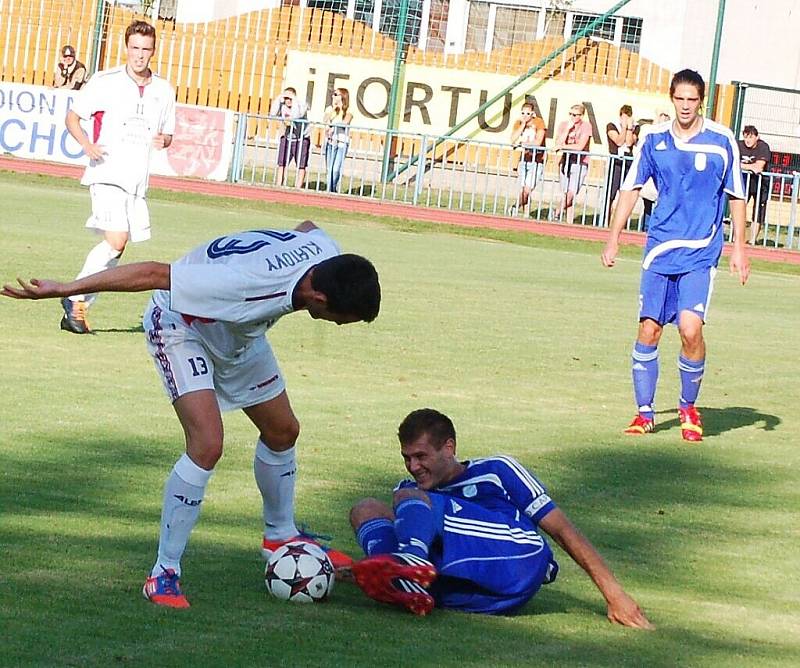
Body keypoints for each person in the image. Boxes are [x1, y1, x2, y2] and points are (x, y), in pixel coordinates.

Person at [2, 221, 382, 609]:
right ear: (318, 297)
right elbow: (154, 273)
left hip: (240, 335)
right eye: (340, 319)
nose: (338, 325)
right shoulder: (243, 285)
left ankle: (280, 536)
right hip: (181, 327)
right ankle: (163, 572)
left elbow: (306, 228)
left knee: (283, 431)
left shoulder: (327, 252)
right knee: (207, 445)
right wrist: (66, 289)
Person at [348, 409, 653, 628]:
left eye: (421, 456)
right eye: (407, 457)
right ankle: (400, 583)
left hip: (519, 560)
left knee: (410, 498)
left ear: (449, 448)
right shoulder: (412, 491)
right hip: (471, 593)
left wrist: (615, 595)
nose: (413, 466)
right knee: (366, 508)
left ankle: (406, 565)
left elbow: (562, 529)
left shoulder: (496, 469)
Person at [601, 69, 750, 442]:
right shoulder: (653, 140)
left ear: (701, 101)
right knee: (649, 330)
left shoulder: (721, 141)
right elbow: (631, 188)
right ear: (673, 99)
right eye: (680, 99)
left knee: (690, 329)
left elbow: (737, 196)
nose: (685, 106)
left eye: (692, 100)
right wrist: (613, 237)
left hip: (701, 251)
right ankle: (645, 413)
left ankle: (687, 406)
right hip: (660, 250)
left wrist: (740, 248)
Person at [60, 20, 176, 334]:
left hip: (137, 181)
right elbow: (73, 117)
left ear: (153, 51)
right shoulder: (105, 81)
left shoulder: (163, 90)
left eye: (146, 49)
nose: (139, 55)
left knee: (118, 247)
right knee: (116, 239)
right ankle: (75, 297)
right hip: (107, 172)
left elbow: (168, 134)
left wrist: (164, 141)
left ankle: (77, 302)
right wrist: (87, 145)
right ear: (126, 48)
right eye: (135, 48)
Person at [551, 104, 592, 223]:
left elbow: (580, 146)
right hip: (565, 161)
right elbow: (558, 142)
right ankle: (569, 222)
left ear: (581, 115)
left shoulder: (586, 126)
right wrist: (567, 130)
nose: (572, 117)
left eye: (575, 115)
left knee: (571, 193)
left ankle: (556, 212)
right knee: (565, 193)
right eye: (570, 114)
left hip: (580, 162)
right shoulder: (564, 125)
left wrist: (563, 146)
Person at [508, 101, 546, 216]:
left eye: (528, 113)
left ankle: (516, 206)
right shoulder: (519, 123)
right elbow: (513, 139)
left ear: (533, 114)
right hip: (524, 159)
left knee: (528, 189)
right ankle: (526, 214)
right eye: (523, 113)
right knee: (523, 188)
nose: (525, 115)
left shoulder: (539, 122)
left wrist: (523, 143)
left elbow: (538, 142)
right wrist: (523, 125)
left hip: (537, 160)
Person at [270, 87, 311, 189]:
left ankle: (298, 187)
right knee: (282, 162)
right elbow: (273, 113)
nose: (288, 100)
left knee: (301, 164)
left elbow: (296, 115)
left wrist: (294, 99)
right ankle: (279, 184)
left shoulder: (300, 105)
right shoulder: (283, 106)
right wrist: (280, 97)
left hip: (301, 138)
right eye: (286, 98)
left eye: (290, 98)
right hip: (287, 137)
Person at [738, 125, 772, 244]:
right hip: (744, 181)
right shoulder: (738, 145)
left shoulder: (763, 147)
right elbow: (732, 162)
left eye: (751, 137)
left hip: (760, 184)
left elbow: (758, 168)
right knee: (739, 208)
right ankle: (736, 238)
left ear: (757, 137)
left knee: (758, 212)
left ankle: (752, 241)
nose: (748, 140)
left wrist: (741, 165)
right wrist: (749, 167)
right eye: (746, 136)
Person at [604, 105, 638, 222]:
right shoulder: (611, 125)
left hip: (628, 162)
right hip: (616, 161)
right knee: (611, 193)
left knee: (625, 195)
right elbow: (618, 141)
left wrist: (629, 128)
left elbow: (629, 143)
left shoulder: (635, 127)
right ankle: (605, 220)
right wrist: (623, 128)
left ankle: (619, 222)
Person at [322, 88, 353, 193]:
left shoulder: (348, 110)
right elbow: (325, 120)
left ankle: (332, 188)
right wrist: (333, 111)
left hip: (341, 143)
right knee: (329, 169)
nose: (333, 96)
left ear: (342, 96)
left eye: (336, 94)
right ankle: (329, 191)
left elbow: (346, 122)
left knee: (335, 169)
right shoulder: (330, 109)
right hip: (331, 142)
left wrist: (334, 126)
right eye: (333, 94)